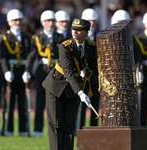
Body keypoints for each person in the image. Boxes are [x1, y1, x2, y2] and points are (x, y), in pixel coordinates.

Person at [42, 18, 97, 150]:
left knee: (69, 124)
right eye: (73, 29)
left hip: (74, 88)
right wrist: (80, 92)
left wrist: (87, 71)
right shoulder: (65, 46)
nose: (75, 32)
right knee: (56, 124)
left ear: (86, 32)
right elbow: (68, 72)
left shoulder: (91, 47)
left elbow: (94, 67)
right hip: (56, 86)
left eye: (79, 30)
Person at [29, 10, 64, 138]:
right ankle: (38, 130)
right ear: (43, 23)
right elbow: (32, 55)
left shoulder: (60, 38)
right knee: (40, 103)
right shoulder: (37, 38)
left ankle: (55, 129)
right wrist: (27, 70)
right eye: (48, 21)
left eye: (52, 21)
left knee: (55, 104)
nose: (50, 23)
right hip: (42, 72)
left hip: (56, 72)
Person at [0, 9, 31, 137]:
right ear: (9, 22)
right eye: (14, 20)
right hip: (11, 72)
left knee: (23, 104)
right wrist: (6, 71)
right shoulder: (4, 37)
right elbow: (2, 57)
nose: (17, 22)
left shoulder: (27, 37)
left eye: (18, 20)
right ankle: (8, 129)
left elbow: (30, 54)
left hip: (22, 72)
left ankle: (23, 130)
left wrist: (28, 71)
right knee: (9, 103)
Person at [78, 8, 99, 129]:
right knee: (81, 102)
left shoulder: (99, 35)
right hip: (82, 73)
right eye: (89, 20)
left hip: (94, 73)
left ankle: (94, 128)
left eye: (93, 20)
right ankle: (79, 128)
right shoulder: (79, 36)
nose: (92, 22)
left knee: (95, 101)